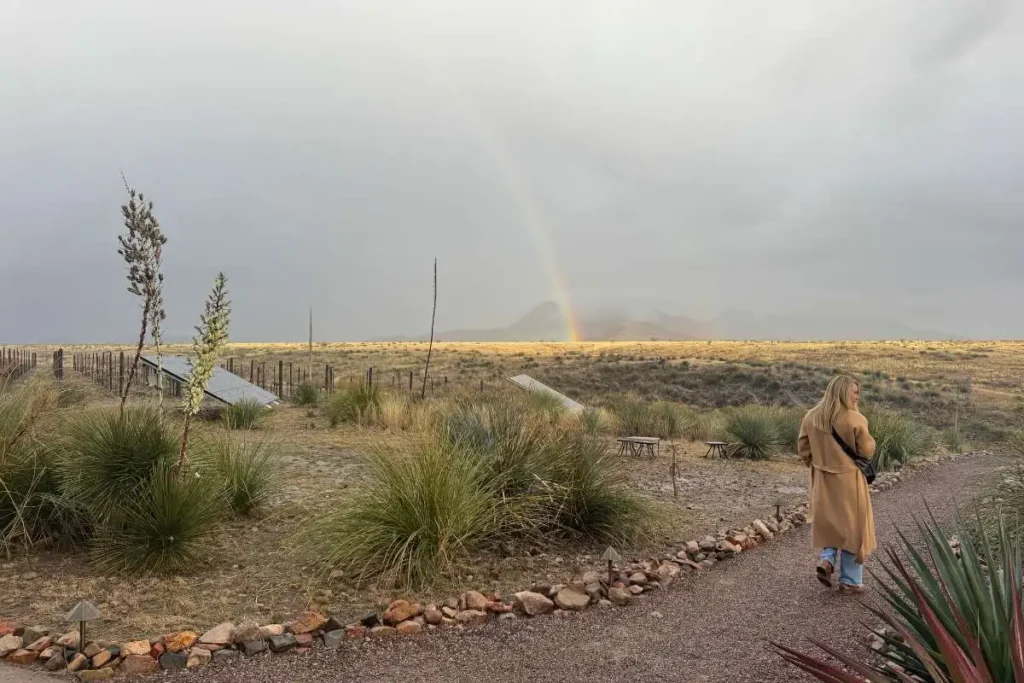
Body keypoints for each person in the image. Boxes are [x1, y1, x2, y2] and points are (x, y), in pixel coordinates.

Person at [797, 375, 876, 594]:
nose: (857, 395)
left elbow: (803, 448)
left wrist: (818, 462)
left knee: (830, 521)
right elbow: (867, 450)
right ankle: (849, 580)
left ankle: (827, 558)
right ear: (843, 392)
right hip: (850, 480)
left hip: (822, 478)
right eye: (854, 391)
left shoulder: (811, 417)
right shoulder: (855, 418)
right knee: (853, 527)